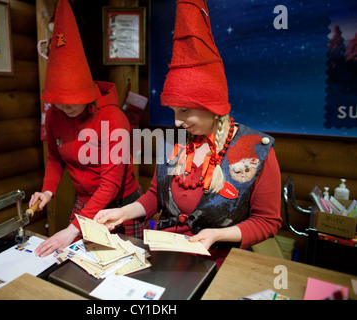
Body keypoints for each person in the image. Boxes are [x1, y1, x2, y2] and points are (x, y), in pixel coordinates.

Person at [95, 0, 282, 268]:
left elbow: (268, 222)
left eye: (184, 111)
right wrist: (122, 212)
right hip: (162, 256)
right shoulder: (176, 141)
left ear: (212, 106)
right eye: (173, 111)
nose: (177, 122)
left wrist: (219, 234)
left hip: (216, 263)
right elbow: (154, 197)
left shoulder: (255, 149)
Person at [30, 0, 146, 258]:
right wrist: (48, 190)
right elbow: (54, 157)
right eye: (57, 101)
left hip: (120, 205)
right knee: (82, 265)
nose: (64, 107)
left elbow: (111, 183)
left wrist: (72, 229)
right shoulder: (55, 114)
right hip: (84, 202)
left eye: (71, 102)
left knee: (127, 266)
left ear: (86, 92)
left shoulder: (112, 118)